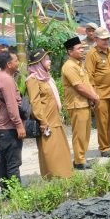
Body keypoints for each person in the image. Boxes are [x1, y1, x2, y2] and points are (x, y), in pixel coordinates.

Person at [25, 49, 72, 179]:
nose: (49, 61)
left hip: (55, 120)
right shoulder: (33, 79)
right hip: (46, 123)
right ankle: (55, 179)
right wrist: (43, 121)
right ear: (39, 62)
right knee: (51, 152)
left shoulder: (46, 78)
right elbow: (35, 103)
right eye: (46, 59)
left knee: (61, 151)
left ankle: (66, 176)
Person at [62, 36, 100, 170]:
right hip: (76, 104)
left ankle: (82, 157)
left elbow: (87, 83)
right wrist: (94, 97)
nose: (82, 51)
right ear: (70, 51)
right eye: (79, 49)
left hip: (84, 103)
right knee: (79, 134)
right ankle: (79, 161)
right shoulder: (69, 66)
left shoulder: (79, 65)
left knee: (86, 133)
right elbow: (79, 87)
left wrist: (93, 96)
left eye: (83, 48)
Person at [0, 51, 25, 196]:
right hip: (9, 127)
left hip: (2, 126)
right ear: (9, 64)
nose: (18, 63)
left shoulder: (0, 77)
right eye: (16, 60)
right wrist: (19, 125)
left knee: (4, 159)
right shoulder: (7, 80)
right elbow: (11, 106)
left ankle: (6, 191)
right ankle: (16, 194)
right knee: (13, 162)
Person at [86, 26, 110, 158]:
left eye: (107, 38)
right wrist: (93, 94)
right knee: (102, 121)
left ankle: (109, 143)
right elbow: (89, 76)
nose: (106, 41)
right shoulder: (92, 54)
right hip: (100, 94)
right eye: (103, 39)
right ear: (96, 39)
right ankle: (104, 147)